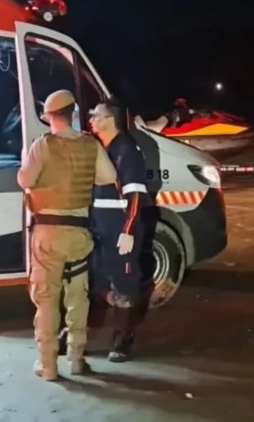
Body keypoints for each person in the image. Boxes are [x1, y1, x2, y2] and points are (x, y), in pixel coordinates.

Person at [17, 89, 117, 381]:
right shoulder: (90, 144)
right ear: (72, 113)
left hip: (47, 234)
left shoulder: (42, 145)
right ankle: (76, 359)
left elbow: (25, 180)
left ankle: (48, 366)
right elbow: (109, 177)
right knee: (78, 298)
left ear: (49, 116)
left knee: (47, 298)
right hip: (79, 233)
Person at [88, 98, 156, 362]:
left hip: (120, 229)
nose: (92, 119)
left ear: (110, 120)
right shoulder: (100, 148)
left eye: (96, 115)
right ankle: (83, 335)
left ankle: (123, 338)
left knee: (124, 283)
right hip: (100, 228)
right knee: (99, 282)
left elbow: (136, 195)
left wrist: (128, 230)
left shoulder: (126, 150)